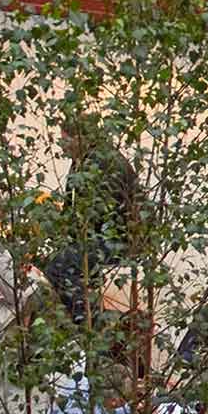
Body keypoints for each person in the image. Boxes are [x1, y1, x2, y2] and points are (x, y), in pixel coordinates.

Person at [47, 119, 140, 318]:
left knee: (59, 267)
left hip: (119, 239)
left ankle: (92, 320)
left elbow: (98, 214)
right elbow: (74, 209)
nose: (61, 146)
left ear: (82, 139)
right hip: (103, 235)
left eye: (65, 140)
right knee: (59, 257)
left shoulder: (100, 162)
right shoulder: (84, 159)